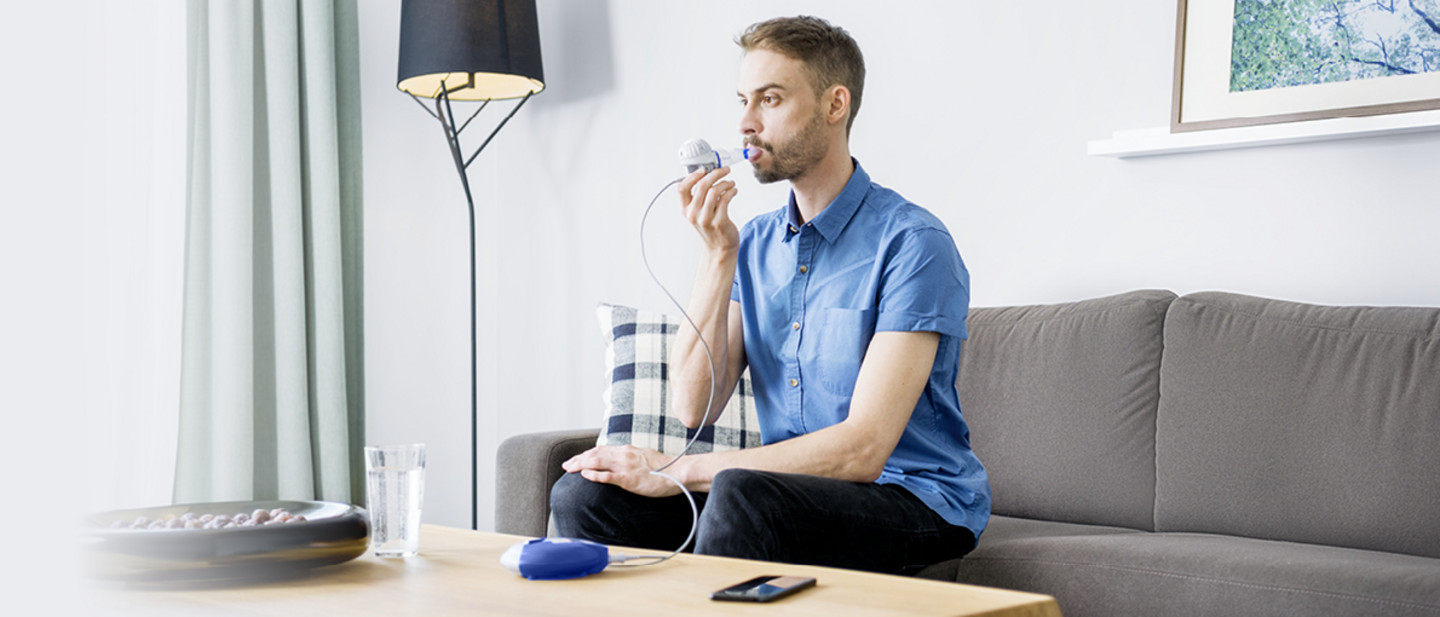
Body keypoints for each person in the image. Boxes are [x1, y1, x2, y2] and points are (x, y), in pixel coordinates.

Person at [550, 15, 989, 575]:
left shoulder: (913, 244)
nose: (746, 123)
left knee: (741, 495)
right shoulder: (754, 244)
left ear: (835, 105)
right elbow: (693, 408)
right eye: (743, 101)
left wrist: (675, 471)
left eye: (770, 99)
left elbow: (863, 450)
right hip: (781, 495)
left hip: (912, 499)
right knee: (584, 497)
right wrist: (717, 255)